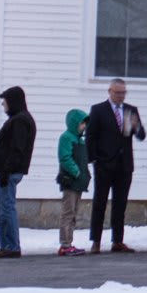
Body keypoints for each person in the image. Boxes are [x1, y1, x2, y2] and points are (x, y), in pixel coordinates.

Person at [85, 78, 146, 253]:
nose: (121, 96)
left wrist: (136, 127)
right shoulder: (98, 110)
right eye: (118, 92)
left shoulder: (130, 110)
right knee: (100, 202)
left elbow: (141, 135)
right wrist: (94, 159)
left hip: (124, 164)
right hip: (104, 163)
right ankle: (96, 240)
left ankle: (117, 240)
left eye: (123, 93)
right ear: (110, 91)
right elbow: (91, 136)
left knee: (120, 204)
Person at [0, 86, 37, 258]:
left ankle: (11, 246)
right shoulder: (18, 119)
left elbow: (16, 149)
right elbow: (6, 143)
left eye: (5, 100)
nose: (3, 104)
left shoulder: (20, 120)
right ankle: (6, 245)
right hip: (8, 170)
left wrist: (6, 171)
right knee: (2, 206)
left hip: (10, 172)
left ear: (13, 101)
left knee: (6, 207)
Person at [56, 107, 91, 255]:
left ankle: (69, 242)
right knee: (68, 213)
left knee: (74, 213)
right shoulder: (66, 138)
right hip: (70, 181)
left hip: (79, 182)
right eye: (82, 123)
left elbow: (84, 160)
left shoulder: (81, 141)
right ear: (75, 123)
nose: (84, 127)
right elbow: (65, 158)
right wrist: (76, 172)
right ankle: (65, 244)